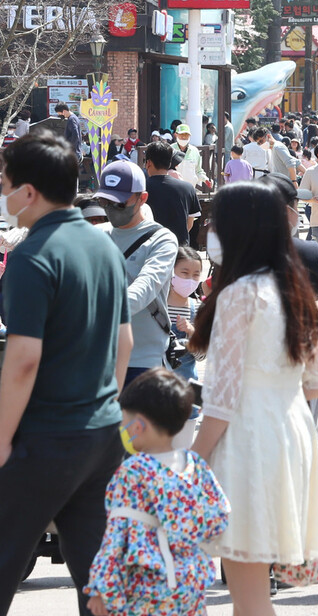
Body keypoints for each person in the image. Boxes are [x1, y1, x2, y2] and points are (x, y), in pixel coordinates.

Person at [0, 134, 131, 616]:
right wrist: (106, 409)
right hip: (101, 434)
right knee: (99, 581)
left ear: (28, 192)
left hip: (44, 436)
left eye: (5, 183)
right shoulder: (105, 249)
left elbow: (23, 360)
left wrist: (1, 437)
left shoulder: (32, 257)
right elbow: (125, 344)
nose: (2, 191)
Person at [189, 181, 318, 615]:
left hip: (248, 437)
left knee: (248, 593)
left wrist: (191, 460)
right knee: (253, 593)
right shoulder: (293, 290)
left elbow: (222, 397)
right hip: (290, 430)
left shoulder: (239, 294)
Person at [83, 369, 230, 616]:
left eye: (124, 421)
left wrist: (101, 587)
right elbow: (220, 517)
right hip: (190, 582)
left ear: (138, 425)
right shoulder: (194, 464)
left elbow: (115, 536)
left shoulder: (133, 471)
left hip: (147, 588)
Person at [97, 160, 179, 386]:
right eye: (105, 201)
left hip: (143, 362)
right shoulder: (95, 235)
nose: (111, 209)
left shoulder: (161, 239)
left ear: (142, 199)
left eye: (119, 203)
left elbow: (146, 287)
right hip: (98, 360)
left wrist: (94, 310)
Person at [258, 172, 318, 350]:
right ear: (286, 211)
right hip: (296, 354)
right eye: (296, 205)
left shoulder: (235, 252)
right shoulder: (310, 253)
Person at [143, 142, 202, 246]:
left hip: (149, 249)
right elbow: (189, 223)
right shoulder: (188, 188)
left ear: (148, 163)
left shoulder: (140, 189)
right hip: (179, 249)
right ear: (170, 163)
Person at [167, 246, 203, 382]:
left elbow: (201, 356)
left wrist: (192, 332)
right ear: (171, 270)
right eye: (185, 272)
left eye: (196, 275)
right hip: (156, 386)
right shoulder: (155, 306)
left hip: (185, 388)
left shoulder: (198, 308)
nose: (190, 279)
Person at [172, 124, 209, 189]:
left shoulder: (194, 151)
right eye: (181, 135)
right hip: (174, 189)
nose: (184, 137)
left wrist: (205, 179)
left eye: (186, 135)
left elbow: (198, 171)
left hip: (190, 189)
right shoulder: (170, 149)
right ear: (176, 135)